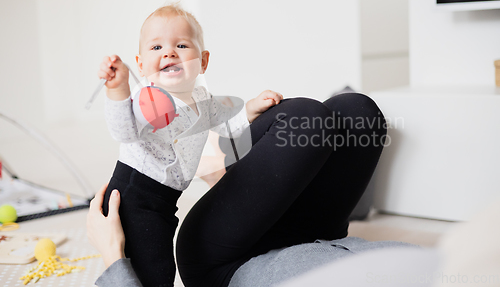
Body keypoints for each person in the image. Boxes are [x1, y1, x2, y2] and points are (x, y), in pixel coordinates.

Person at [89, 85, 389, 285]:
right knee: (359, 112)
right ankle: (224, 165)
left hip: (225, 268)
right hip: (318, 240)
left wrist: (113, 254)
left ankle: (221, 166)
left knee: (306, 119)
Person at [97, 4, 283, 287]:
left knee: (160, 261)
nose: (169, 53)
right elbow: (123, 131)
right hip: (135, 194)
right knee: (152, 268)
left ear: (203, 61)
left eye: (181, 45)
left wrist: (250, 109)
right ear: (141, 64)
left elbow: (224, 123)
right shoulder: (146, 96)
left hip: (165, 199)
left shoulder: (202, 98)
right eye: (156, 47)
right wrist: (118, 89)